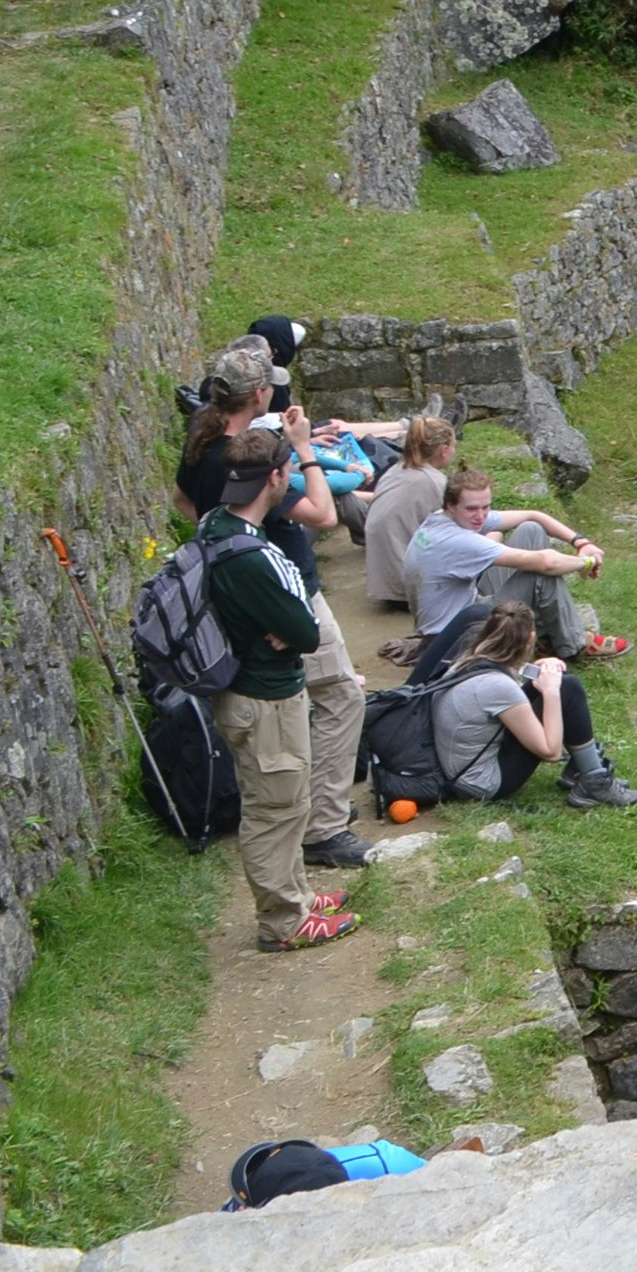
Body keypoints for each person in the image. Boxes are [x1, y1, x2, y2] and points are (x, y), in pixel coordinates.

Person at [179, 372, 376, 870]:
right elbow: (323, 514)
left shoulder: (203, 444)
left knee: (310, 712)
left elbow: (182, 501)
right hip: (284, 599)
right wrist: (304, 449)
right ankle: (323, 828)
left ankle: (312, 821)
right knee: (339, 697)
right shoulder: (253, 467)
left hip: (254, 599)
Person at [199, 433, 357, 951]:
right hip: (262, 699)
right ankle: (284, 922)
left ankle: (299, 896)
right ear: (274, 478)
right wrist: (290, 624)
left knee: (287, 799)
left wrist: (285, 623)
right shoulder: (249, 555)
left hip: (259, 691)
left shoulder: (217, 526)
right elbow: (308, 632)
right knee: (274, 808)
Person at [425, 603, 637, 809]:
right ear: (530, 638)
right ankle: (594, 782)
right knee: (567, 687)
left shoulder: (468, 658)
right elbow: (551, 752)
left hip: (458, 765)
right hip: (481, 783)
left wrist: (539, 669)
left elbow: (498, 691)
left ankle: (583, 770)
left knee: (561, 681)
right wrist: (551, 692)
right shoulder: (497, 686)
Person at [405, 466, 622, 660]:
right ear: (450, 505)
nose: (480, 516)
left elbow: (533, 515)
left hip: (464, 607)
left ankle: (544, 634)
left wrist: (580, 541)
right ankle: (574, 644)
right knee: (540, 574)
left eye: (486, 507)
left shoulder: (442, 518)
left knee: (530, 530)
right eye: (472, 509)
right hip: (456, 638)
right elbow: (546, 563)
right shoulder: (457, 541)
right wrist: (588, 561)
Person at [360, 416, 456, 616]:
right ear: (444, 450)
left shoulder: (395, 470)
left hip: (384, 583)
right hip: (410, 591)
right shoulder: (435, 482)